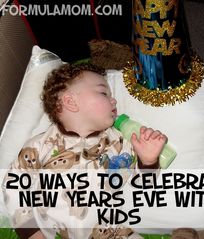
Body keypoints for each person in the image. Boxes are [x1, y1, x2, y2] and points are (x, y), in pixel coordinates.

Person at [3, 63, 167, 239]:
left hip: (112, 232)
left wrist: (148, 162)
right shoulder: (40, 146)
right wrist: (32, 233)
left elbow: (142, 186)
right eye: (104, 93)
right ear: (71, 102)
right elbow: (14, 187)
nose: (114, 100)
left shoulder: (119, 144)